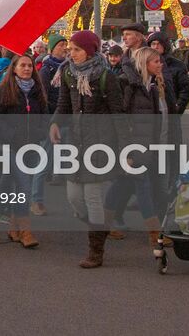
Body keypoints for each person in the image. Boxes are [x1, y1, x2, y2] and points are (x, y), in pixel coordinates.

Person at [50, 30, 125, 268]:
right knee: (73, 196)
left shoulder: (105, 76)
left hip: (99, 141)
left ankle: (96, 251)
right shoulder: (68, 72)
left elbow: (117, 112)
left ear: (90, 51)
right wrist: (55, 122)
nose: (71, 53)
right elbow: (64, 103)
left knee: (92, 196)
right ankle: (100, 229)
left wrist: (125, 148)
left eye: (76, 50)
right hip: (76, 139)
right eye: (70, 49)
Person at [117, 46, 172, 250]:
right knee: (143, 187)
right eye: (156, 62)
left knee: (123, 188)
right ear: (145, 64)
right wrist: (127, 151)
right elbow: (121, 119)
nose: (161, 64)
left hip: (155, 145)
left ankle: (105, 222)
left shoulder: (155, 85)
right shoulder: (130, 85)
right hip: (136, 146)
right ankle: (155, 231)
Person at [0, 52, 47, 246]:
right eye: (22, 65)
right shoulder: (5, 89)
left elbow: (44, 113)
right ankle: (26, 232)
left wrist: (41, 132)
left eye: (29, 66)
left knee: (21, 186)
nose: (26, 69)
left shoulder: (37, 89)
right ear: (14, 68)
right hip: (13, 146)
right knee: (24, 187)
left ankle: (13, 227)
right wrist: (10, 135)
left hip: (32, 144)